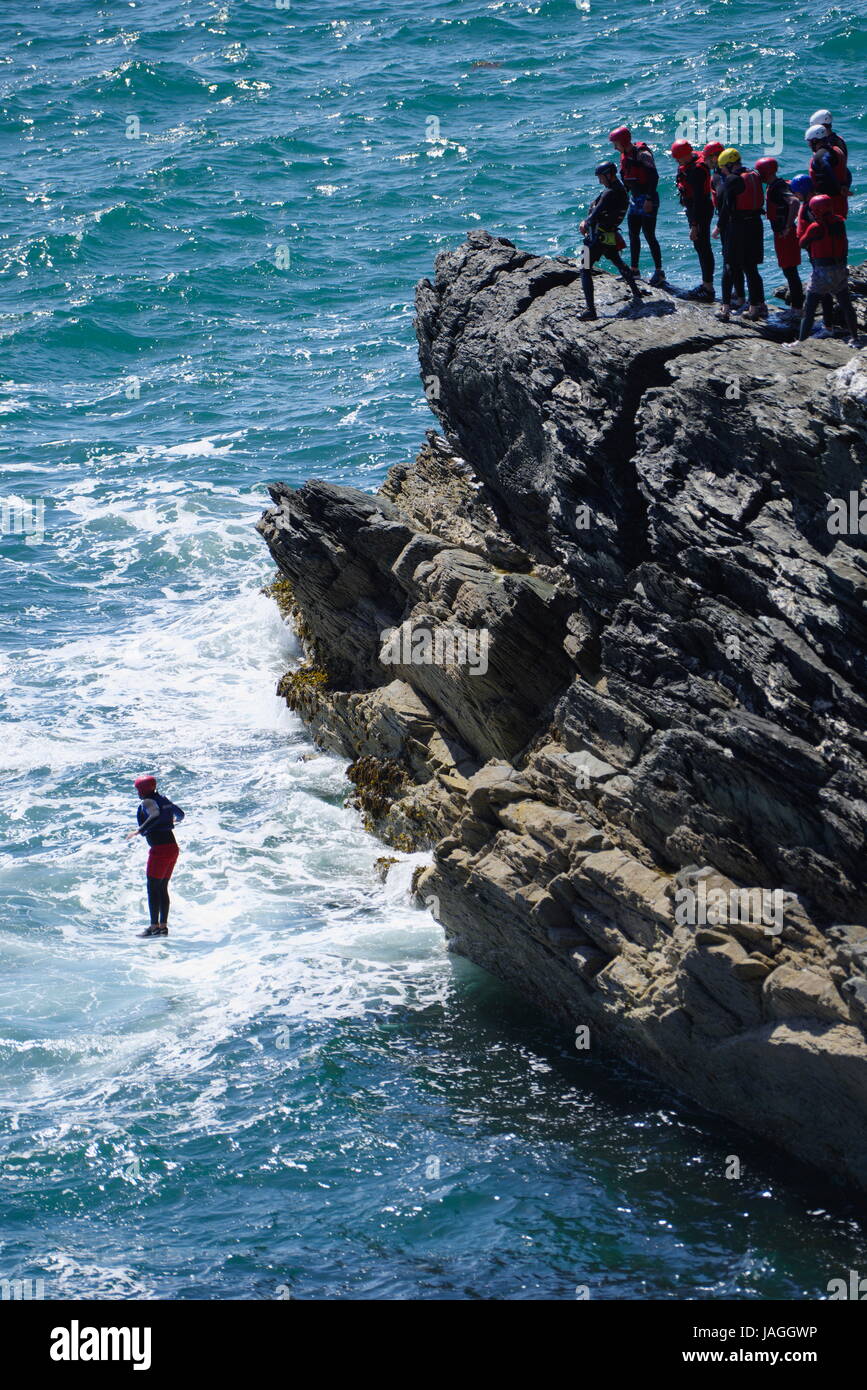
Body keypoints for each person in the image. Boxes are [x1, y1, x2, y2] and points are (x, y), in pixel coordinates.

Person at [577, 161, 645, 321]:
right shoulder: (620, 189)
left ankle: (590, 310)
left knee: (584, 268)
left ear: (609, 175)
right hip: (609, 236)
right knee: (618, 261)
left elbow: (593, 216)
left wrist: (585, 223)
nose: (600, 181)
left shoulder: (610, 193)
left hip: (597, 237)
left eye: (601, 177)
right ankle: (636, 292)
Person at [795, 194, 859, 346]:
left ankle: (801, 341)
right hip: (839, 269)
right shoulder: (839, 222)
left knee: (809, 308)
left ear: (816, 211)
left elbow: (802, 244)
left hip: (822, 271)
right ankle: (855, 338)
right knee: (846, 305)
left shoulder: (816, 227)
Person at [127, 774, 185, 937]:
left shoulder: (147, 802)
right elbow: (181, 814)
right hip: (172, 848)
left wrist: (139, 830)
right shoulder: (163, 799)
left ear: (142, 790)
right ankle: (163, 927)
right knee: (162, 887)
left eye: (138, 789)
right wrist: (172, 821)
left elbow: (155, 815)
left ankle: (153, 927)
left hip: (160, 850)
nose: (137, 792)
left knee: (153, 888)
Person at [608, 126, 666, 286]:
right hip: (634, 199)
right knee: (633, 234)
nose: (614, 147)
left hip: (648, 199)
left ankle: (659, 272)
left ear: (623, 141)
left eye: (616, 143)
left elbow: (654, 177)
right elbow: (626, 178)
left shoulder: (643, 155)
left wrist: (648, 199)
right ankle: (634, 270)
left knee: (649, 235)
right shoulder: (624, 156)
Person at [715, 147, 767, 322]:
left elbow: (726, 208)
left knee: (730, 265)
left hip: (738, 227)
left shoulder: (732, 179)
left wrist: (718, 227)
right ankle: (758, 306)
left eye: (723, 167)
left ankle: (725, 308)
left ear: (729, 165)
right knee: (751, 268)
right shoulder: (754, 174)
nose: (721, 170)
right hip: (756, 225)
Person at [756, 156, 803, 312]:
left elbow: (795, 202)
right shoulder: (776, 185)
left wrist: (788, 226)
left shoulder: (778, 187)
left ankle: (797, 308)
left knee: (790, 270)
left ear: (766, 173)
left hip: (785, 234)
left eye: (760, 172)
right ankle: (797, 306)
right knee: (789, 269)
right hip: (782, 233)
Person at [670, 139, 715, 300]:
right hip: (696, 210)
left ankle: (708, 288)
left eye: (678, 157)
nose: (677, 161)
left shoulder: (696, 171)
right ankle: (706, 284)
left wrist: (694, 225)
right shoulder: (692, 160)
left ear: (686, 154)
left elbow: (698, 199)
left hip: (700, 211)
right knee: (701, 247)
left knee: (703, 247)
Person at [792, 173, 836, 332]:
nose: (795, 195)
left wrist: (805, 242)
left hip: (818, 253)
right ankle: (828, 323)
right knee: (828, 290)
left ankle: (827, 325)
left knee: (822, 291)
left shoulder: (811, 208)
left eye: (796, 192)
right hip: (821, 253)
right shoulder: (816, 203)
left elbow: (817, 230)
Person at [806, 123, 851, 218]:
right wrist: (844, 187)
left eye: (809, 142)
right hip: (841, 203)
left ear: (815, 141)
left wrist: (838, 188)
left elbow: (826, 167)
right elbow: (847, 172)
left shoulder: (820, 156)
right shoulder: (837, 150)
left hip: (826, 206)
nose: (809, 145)